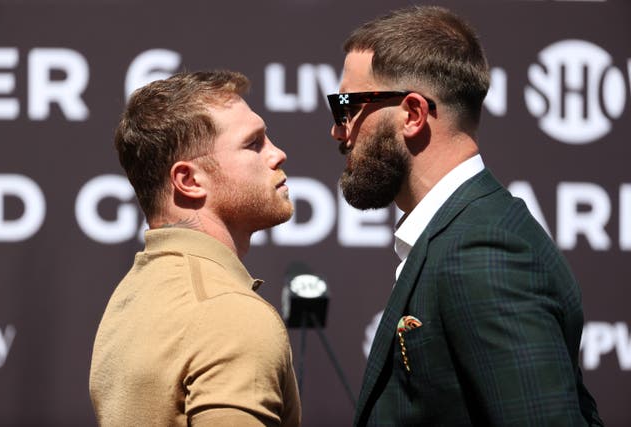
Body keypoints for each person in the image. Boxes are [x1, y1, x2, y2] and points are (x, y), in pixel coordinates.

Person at [327, 6, 603, 426]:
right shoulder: (460, 233)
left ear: (413, 114)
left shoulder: (483, 251)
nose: (339, 129)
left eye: (347, 106)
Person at [89, 70, 301, 426]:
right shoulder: (229, 315)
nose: (278, 154)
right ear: (189, 180)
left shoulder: (131, 296)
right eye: (254, 144)